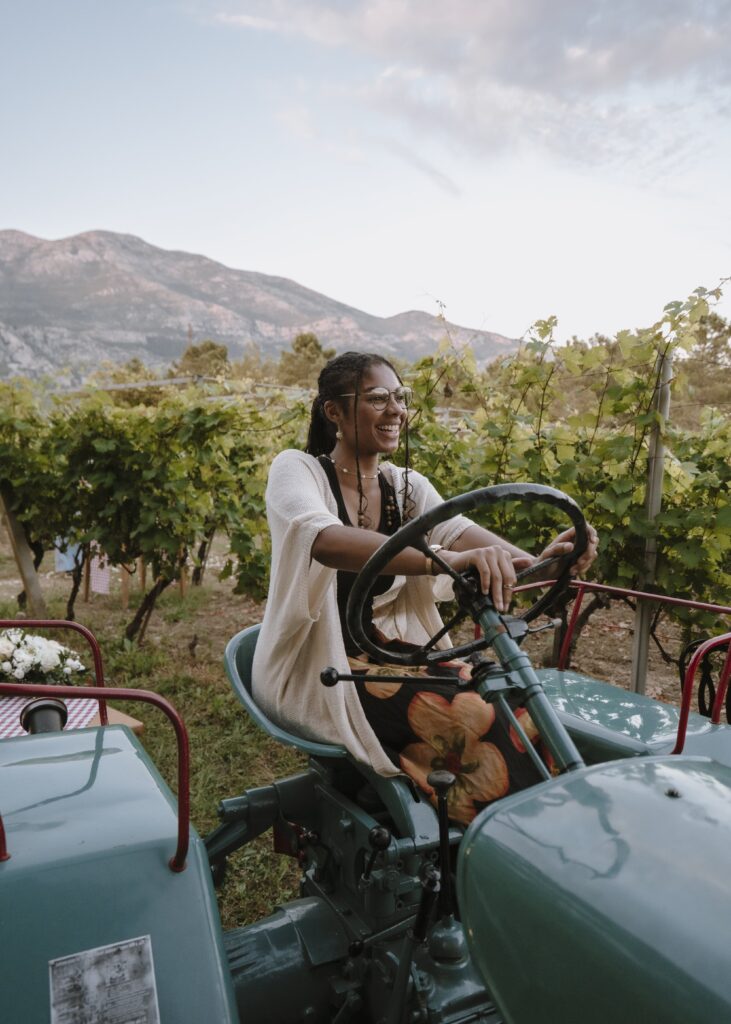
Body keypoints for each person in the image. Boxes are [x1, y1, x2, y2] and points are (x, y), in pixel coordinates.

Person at [252, 351, 598, 824]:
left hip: (388, 654)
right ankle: (493, 836)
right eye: (377, 398)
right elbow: (326, 540)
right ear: (333, 411)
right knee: (467, 723)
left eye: (400, 397)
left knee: (512, 700)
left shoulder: (407, 487)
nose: (395, 410)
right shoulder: (299, 470)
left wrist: (547, 560)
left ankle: (544, 823)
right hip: (320, 669)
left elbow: (472, 543)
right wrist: (446, 561)